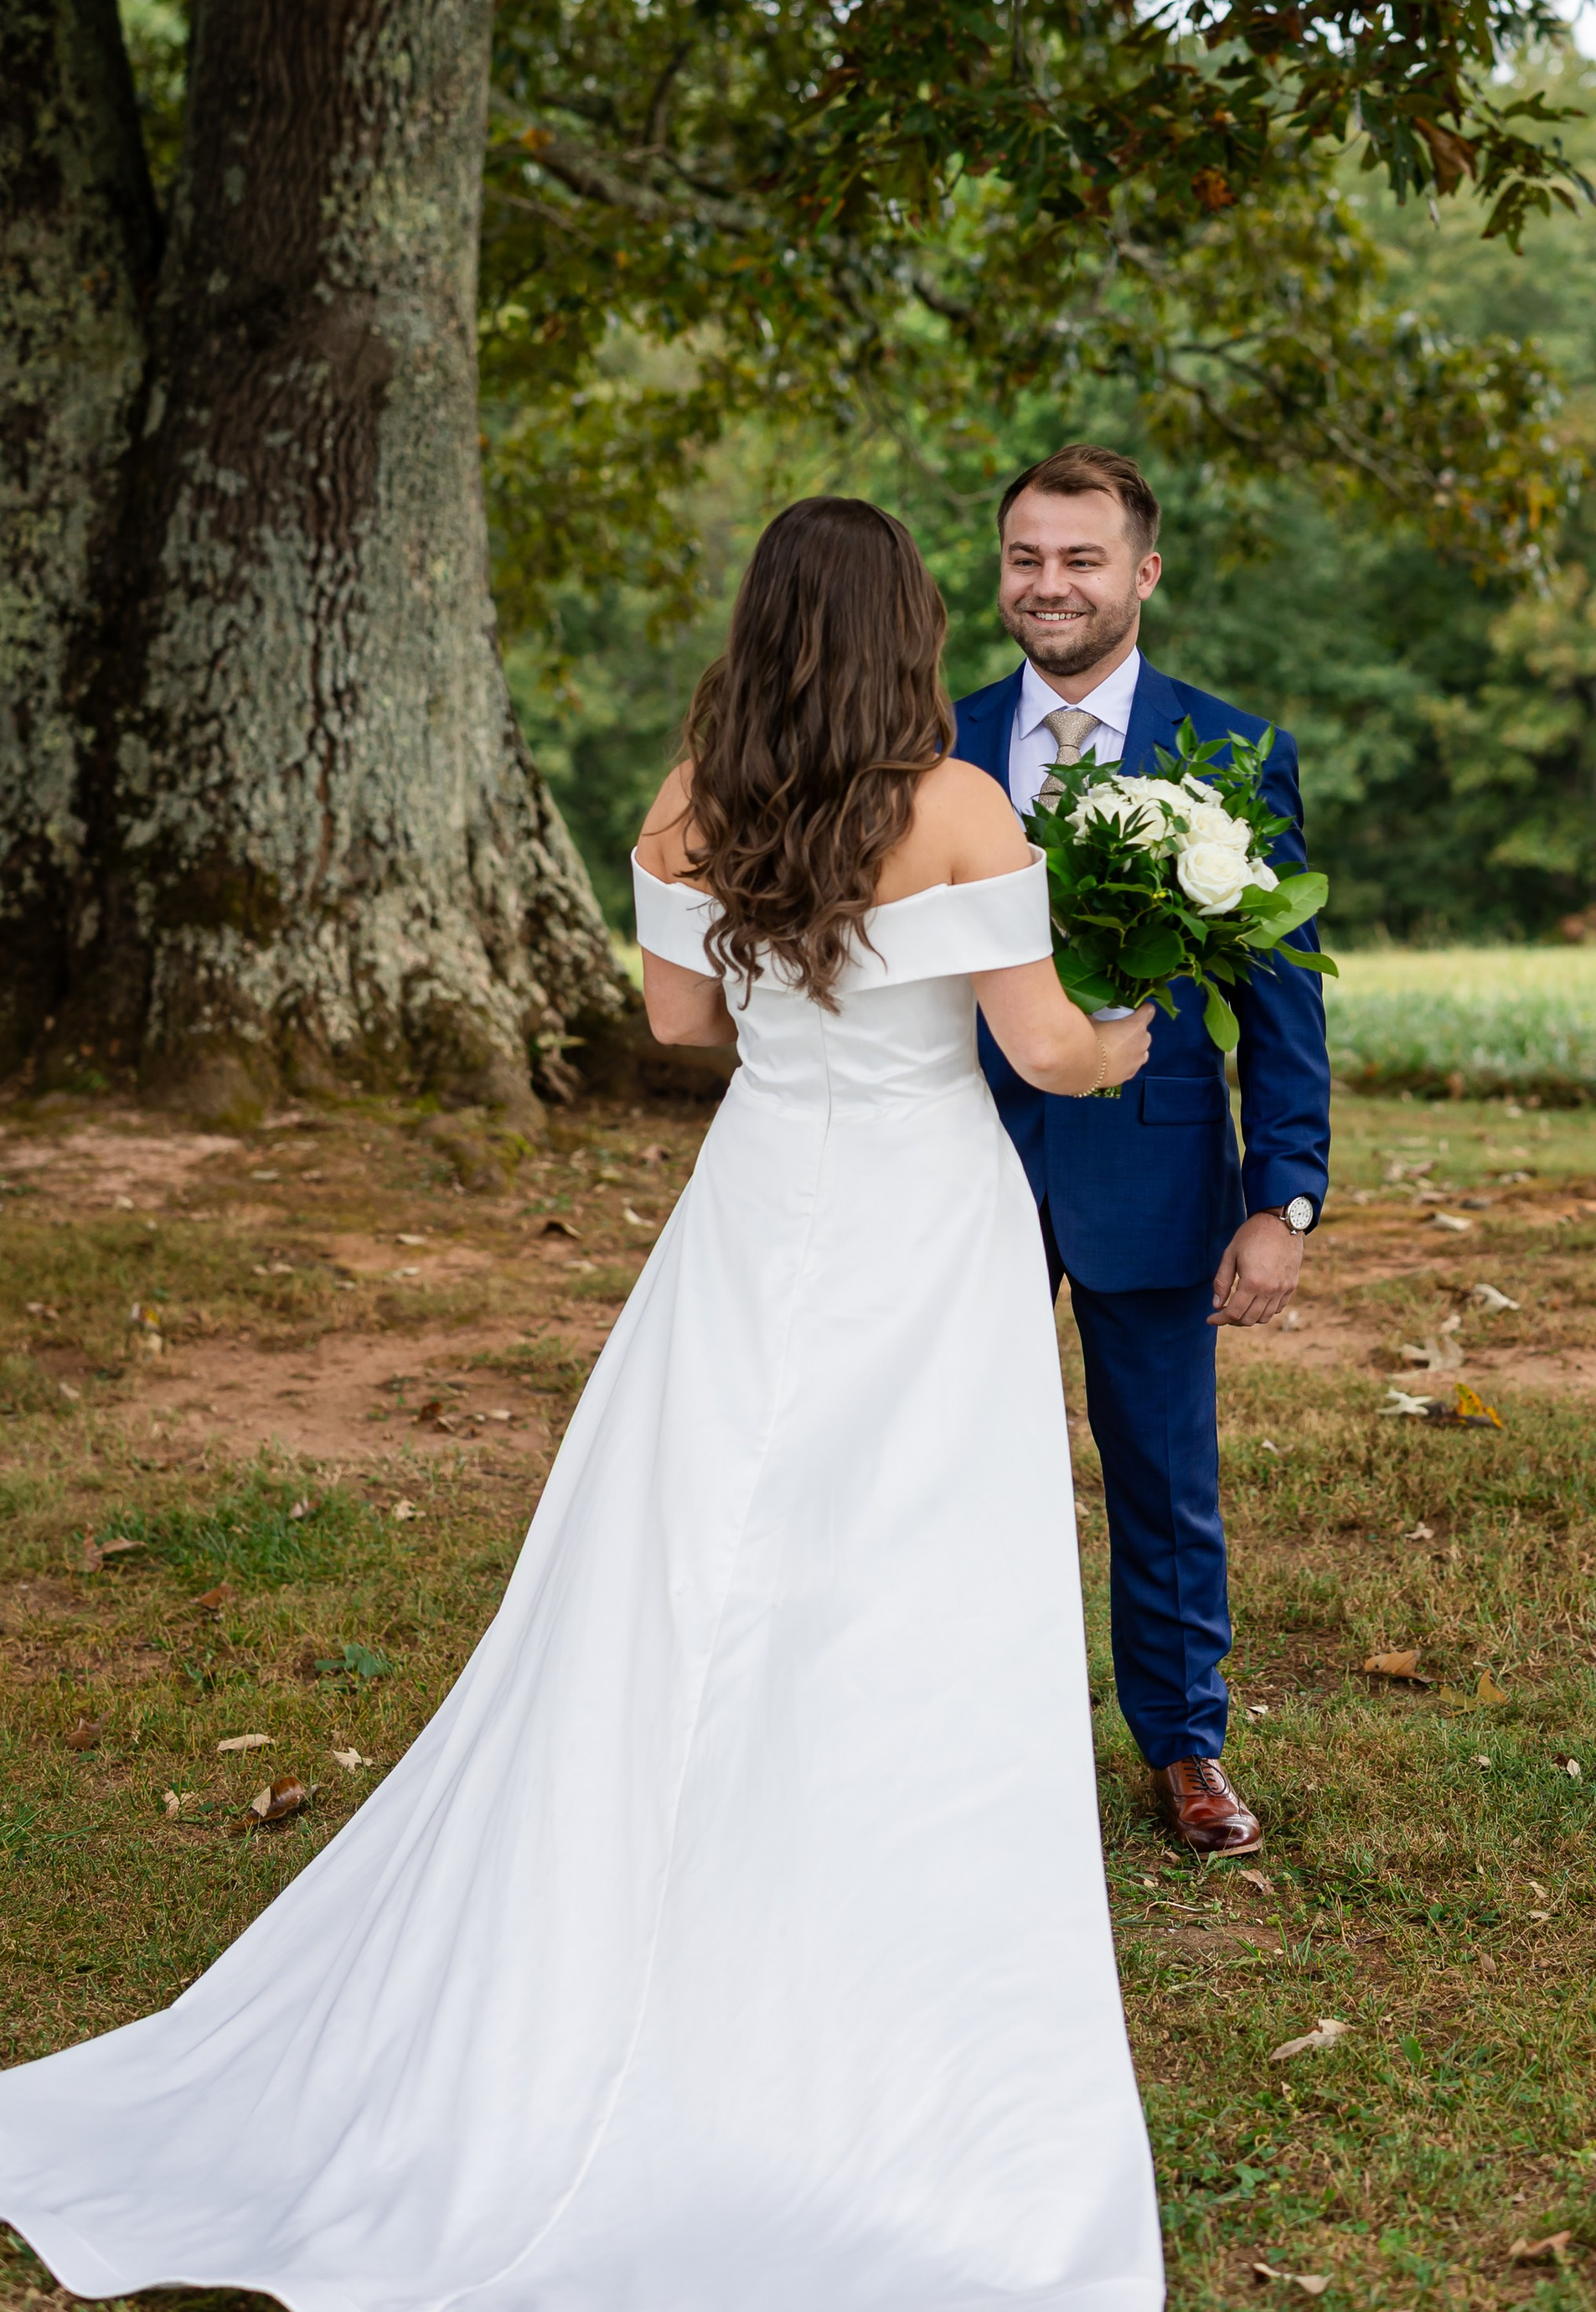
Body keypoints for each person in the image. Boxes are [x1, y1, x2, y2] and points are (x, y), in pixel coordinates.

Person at [0, 498, 1165, 2312]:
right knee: (913, 1562)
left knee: (697, 1547)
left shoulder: (696, 800)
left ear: (763, 627)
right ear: (905, 631)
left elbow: (680, 1030)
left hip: (758, 1211)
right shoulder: (954, 804)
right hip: (924, 1227)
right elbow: (1038, 1047)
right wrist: (1123, 1037)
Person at [955, 443, 1330, 1861]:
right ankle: (962, 1735)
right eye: (1026, 558)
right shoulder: (932, 742)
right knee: (947, 1459)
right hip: (962, 1162)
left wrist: (1284, 1198)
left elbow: (1279, 1000)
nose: (1048, 584)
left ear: (1144, 573)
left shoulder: (1228, 751)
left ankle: (1186, 1747)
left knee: (1165, 1478)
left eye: (1081, 558)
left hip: (1159, 1166)